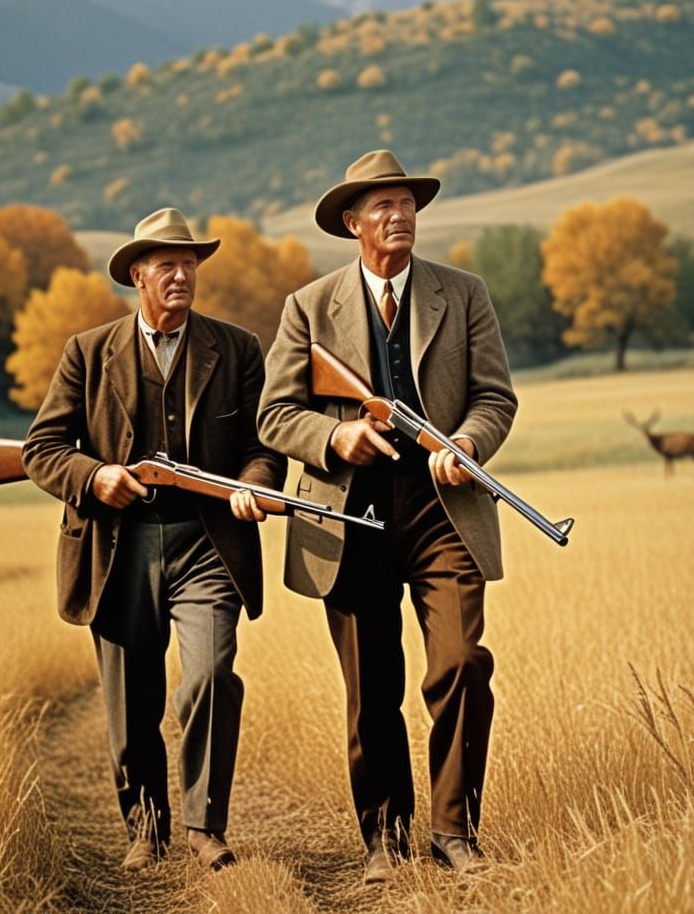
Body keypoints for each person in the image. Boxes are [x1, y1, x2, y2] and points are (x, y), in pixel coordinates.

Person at [257, 150, 517, 883]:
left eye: (406, 204)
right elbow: (274, 415)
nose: (399, 216)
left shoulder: (463, 294)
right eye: (382, 207)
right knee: (372, 687)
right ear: (352, 223)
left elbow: (496, 397)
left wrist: (467, 441)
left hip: (445, 512)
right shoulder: (308, 308)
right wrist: (335, 436)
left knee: (462, 663)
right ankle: (384, 841)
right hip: (349, 517)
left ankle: (454, 832)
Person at [23, 207, 285, 872]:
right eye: (166, 265)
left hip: (208, 542)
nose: (181, 275)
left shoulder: (237, 348)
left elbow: (262, 447)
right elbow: (41, 449)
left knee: (209, 676)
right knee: (131, 700)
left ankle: (204, 824)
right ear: (137, 275)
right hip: (118, 546)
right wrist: (96, 475)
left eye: (189, 264)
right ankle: (146, 828)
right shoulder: (88, 352)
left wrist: (252, 485)